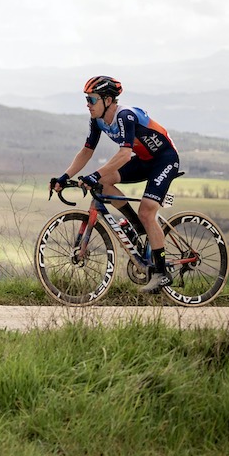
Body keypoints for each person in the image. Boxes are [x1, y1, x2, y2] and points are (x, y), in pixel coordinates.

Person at [51, 75, 178, 293]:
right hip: (145, 160)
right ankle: (138, 227)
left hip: (164, 159)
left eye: (91, 100)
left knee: (147, 212)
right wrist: (64, 176)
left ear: (108, 100)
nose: (87, 105)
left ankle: (161, 273)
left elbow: (125, 154)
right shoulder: (98, 120)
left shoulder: (125, 116)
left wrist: (94, 175)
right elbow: (87, 151)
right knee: (103, 183)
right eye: (86, 99)